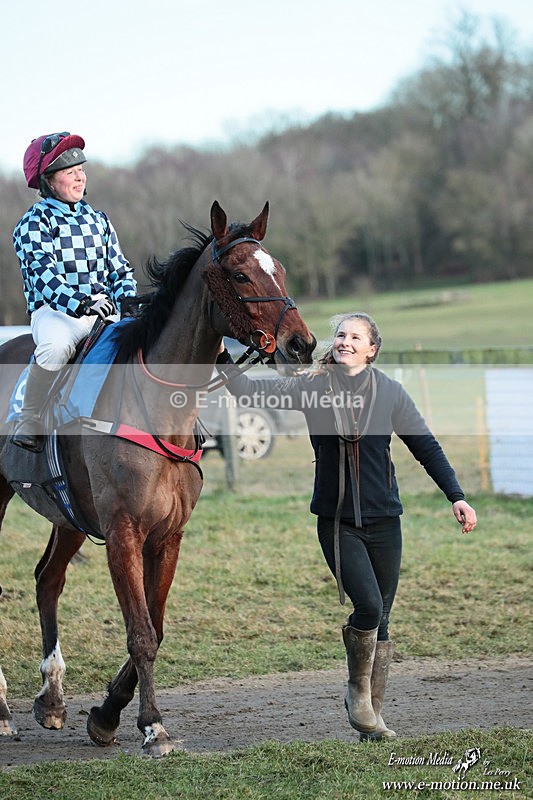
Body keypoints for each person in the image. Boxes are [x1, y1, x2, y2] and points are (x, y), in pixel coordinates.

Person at [216, 312, 477, 740]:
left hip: (386, 521)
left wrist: (457, 496)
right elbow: (247, 391)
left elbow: (426, 446)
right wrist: (221, 353)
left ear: (372, 349)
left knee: (384, 621)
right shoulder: (312, 387)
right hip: (338, 523)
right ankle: (357, 690)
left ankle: (371, 720)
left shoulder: (390, 393)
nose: (345, 341)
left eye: (356, 337)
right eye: (341, 335)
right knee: (369, 607)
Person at [10, 131, 137, 452]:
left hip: (104, 309)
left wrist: (128, 299)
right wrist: (80, 303)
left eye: (81, 169)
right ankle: (30, 416)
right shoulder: (33, 223)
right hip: (55, 312)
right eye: (70, 172)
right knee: (55, 348)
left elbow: (119, 268)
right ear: (49, 181)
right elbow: (43, 276)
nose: (80, 177)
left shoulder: (99, 220)